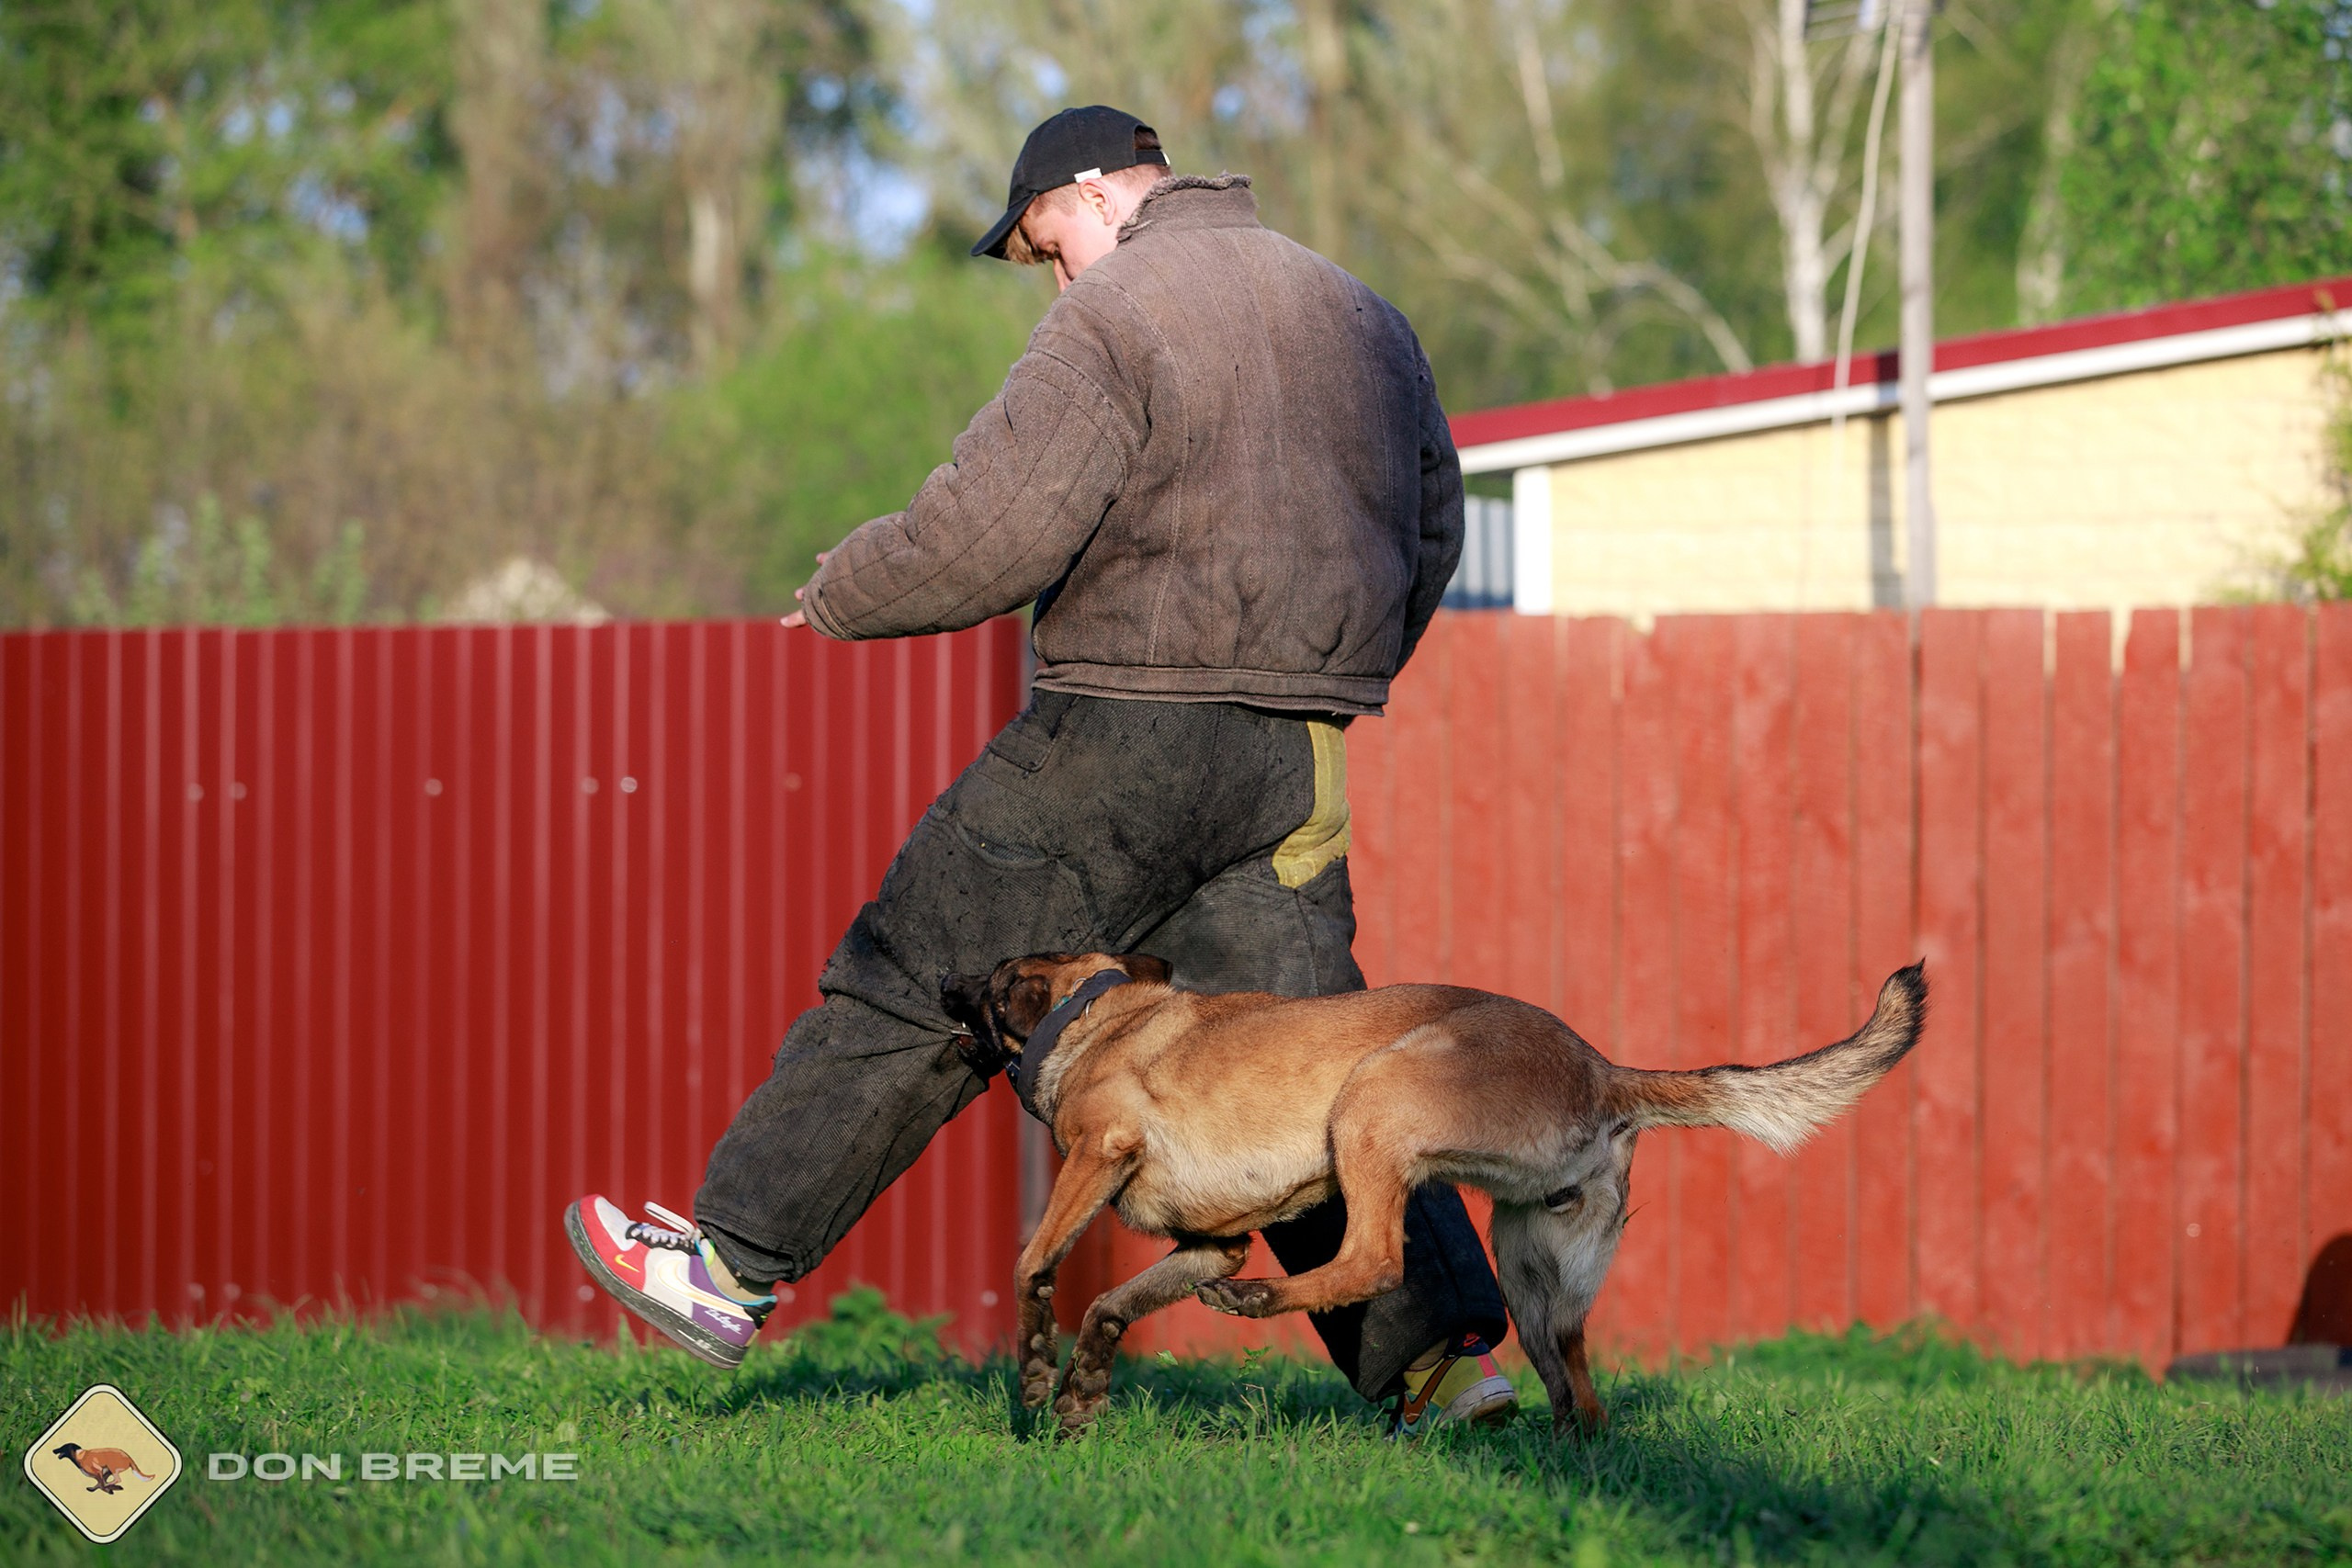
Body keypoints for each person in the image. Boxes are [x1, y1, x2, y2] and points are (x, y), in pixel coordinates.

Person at [566, 105, 1516, 1436]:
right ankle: (1445, 1367)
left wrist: (845, 590)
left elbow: (995, 524)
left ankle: (721, 1267)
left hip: (1118, 735)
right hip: (1296, 757)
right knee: (1311, 1070)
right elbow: (1430, 529)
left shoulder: (1121, 312)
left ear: (1092, 193)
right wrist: (1341, 666)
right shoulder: (1364, 317)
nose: (1053, 274)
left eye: (1042, 241)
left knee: (919, 974)